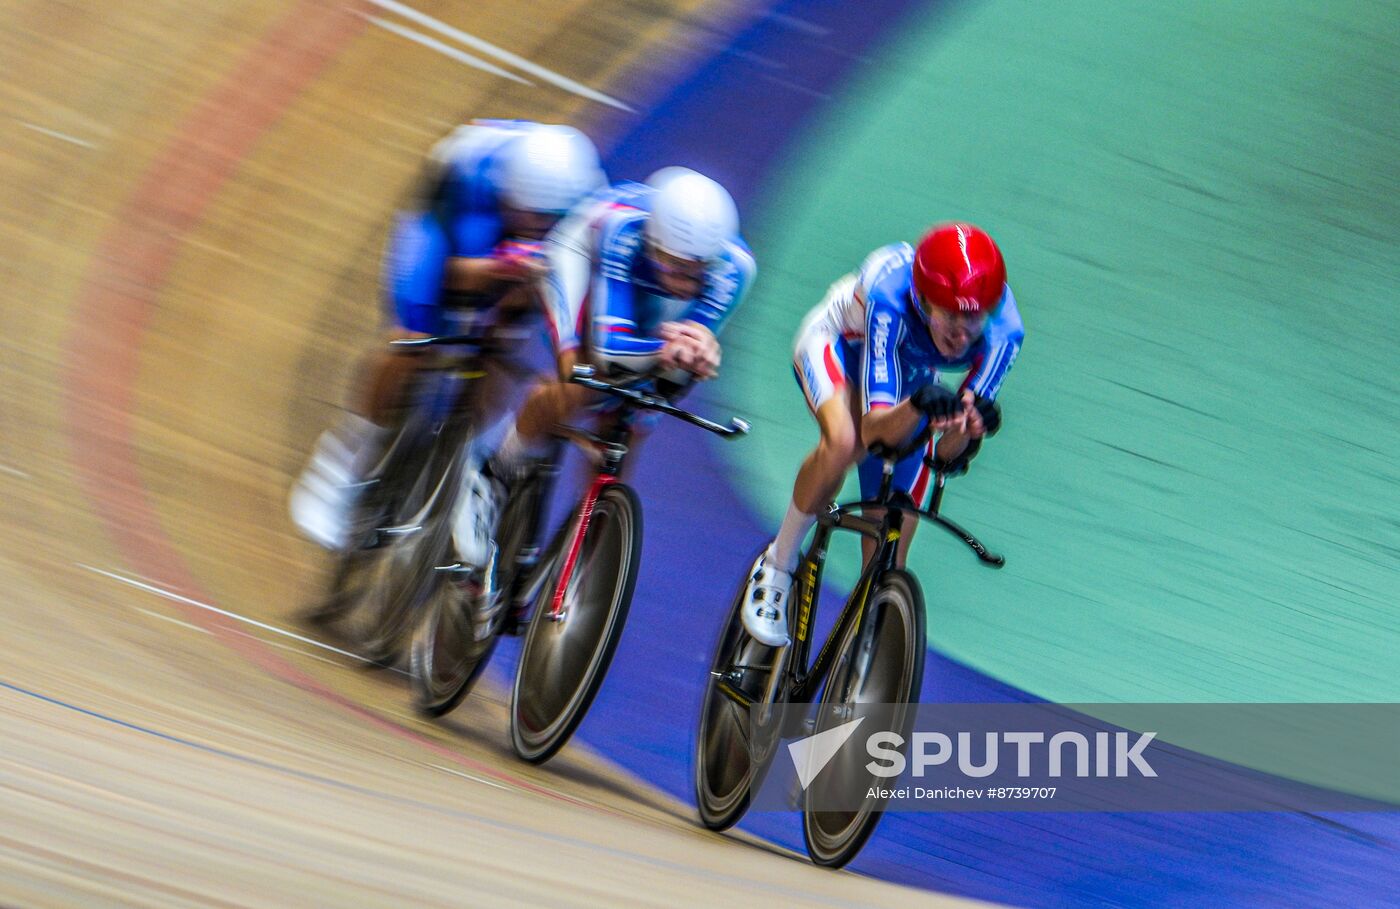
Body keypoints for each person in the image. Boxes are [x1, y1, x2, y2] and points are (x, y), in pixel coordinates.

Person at [289, 119, 605, 551]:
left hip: (526, 259)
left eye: (548, 221)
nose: (536, 226)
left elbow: (575, 298)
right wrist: (498, 268)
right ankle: (349, 456)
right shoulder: (474, 173)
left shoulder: (588, 204)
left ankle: (466, 458)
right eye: (529, 216)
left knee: (505, 341)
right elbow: (448, 272)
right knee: (412, 338)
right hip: (449, 233)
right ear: (509, 195)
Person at [741, 222, 1024, 646]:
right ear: (923, 301)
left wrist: (969, 427)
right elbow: (874, 430)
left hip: (908, 373)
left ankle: (862, 655)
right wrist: (918, 405)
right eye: (949, 316)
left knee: (892, 534)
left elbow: (945, 458)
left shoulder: (1004, 333)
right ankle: (778, 564)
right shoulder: (889, 297)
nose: (961, 334)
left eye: (973, 320)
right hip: (838, 345)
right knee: (845, 443)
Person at [485, 166, 757, 481]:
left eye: (699, 272)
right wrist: (666, 350)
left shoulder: (736, 270)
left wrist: (693, 354)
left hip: (647, 288)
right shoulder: (623, 231)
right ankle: (498, 469)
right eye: (676, 267)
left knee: (636, 418)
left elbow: (678, 370)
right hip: (581, 255)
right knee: (579, 378)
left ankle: (594, 522)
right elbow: (610, 350)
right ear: (651, 242)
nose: (686, 282)